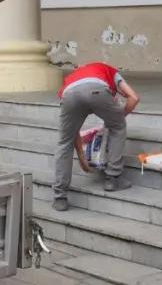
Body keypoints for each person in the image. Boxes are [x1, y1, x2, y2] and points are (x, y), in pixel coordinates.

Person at [51, 61, 139, 211]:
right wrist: (117, 119)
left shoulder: (72, 77)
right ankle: (113, 178)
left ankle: (60, 197)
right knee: (118, 126)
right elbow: (133, 98)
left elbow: (73, 133)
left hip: (69, 95)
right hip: (97, 91)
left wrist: (81, 155)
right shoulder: (109, 70)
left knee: (64, 142)